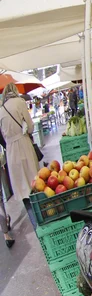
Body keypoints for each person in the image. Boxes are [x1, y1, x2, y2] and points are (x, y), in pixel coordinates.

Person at [0, 84, 39, 245]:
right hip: (23, 145)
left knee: (23, 191)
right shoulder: (20, 101)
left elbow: (1, 136)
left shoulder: (1, 109)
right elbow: (30, 127)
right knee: (35, 184)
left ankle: (35, 224)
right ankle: (41, 221)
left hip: (11, 152)